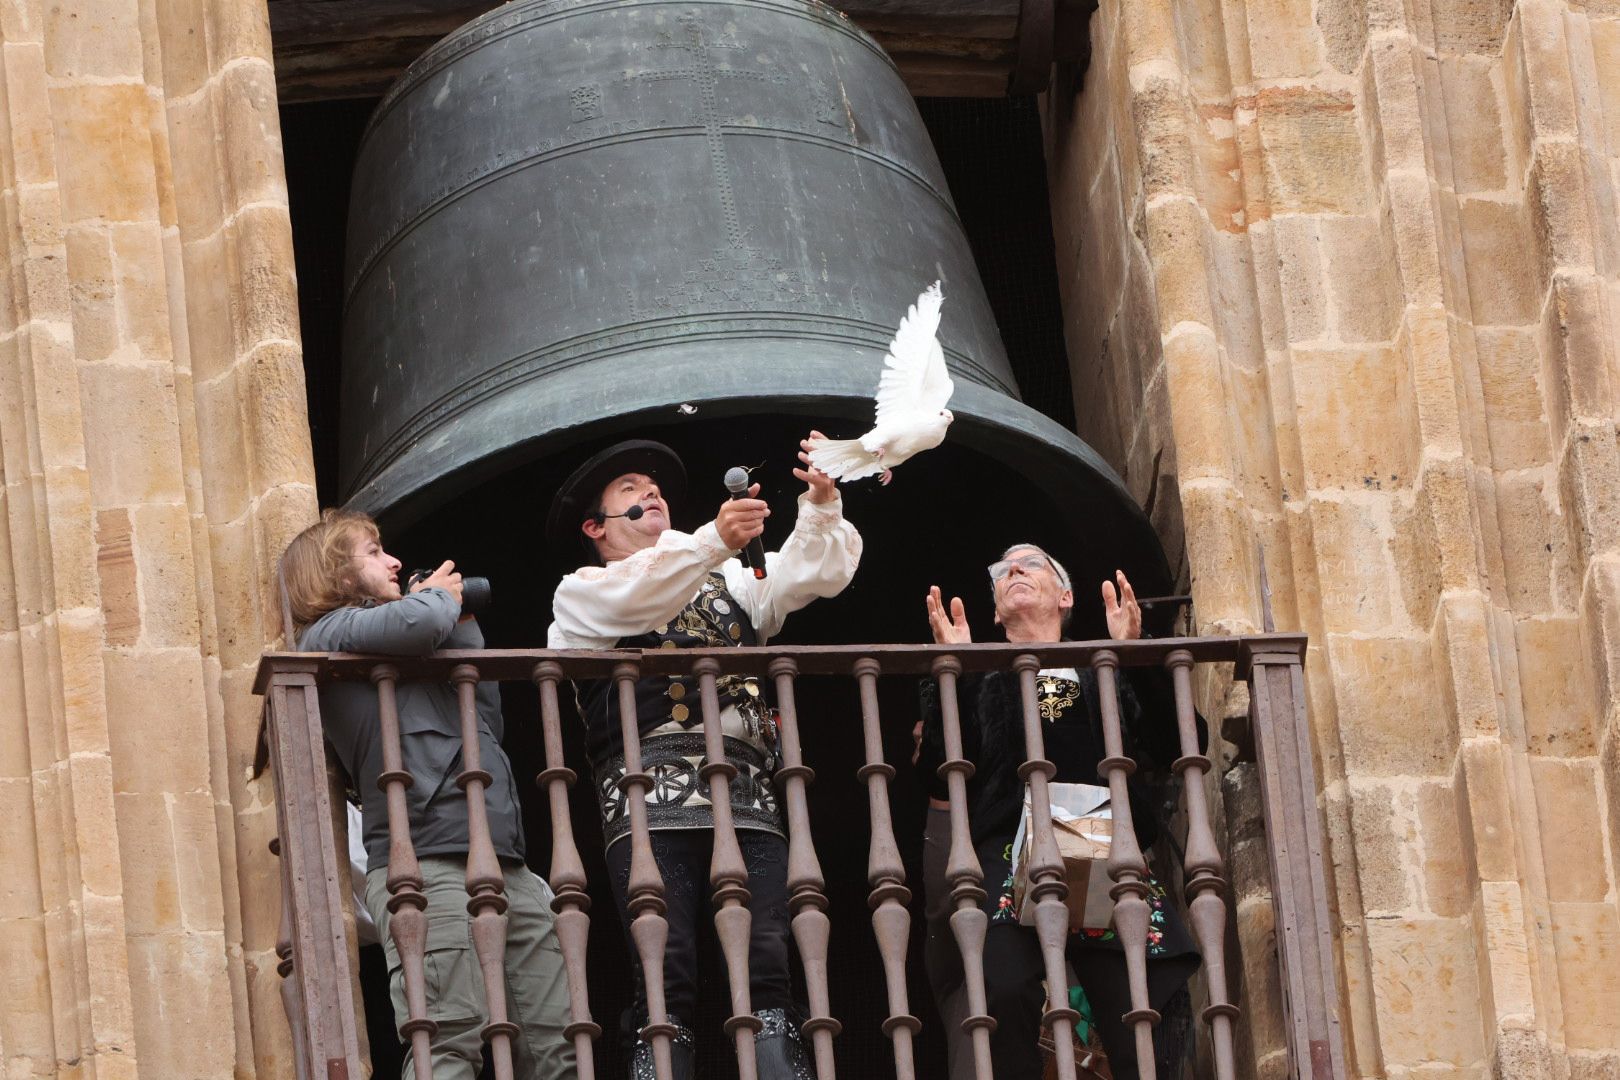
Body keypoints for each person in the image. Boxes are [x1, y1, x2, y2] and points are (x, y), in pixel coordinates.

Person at [546, 435, 861, 1080]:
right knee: (667, 973)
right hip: (646, 804)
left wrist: (822, 504)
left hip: (746, 795)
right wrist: (715, 539)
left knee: (771, 961)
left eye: (654, 487)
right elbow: (642, 596)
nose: (651, 492)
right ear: (595, 526)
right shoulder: (580, 594)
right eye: (630, 489)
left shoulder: (727, 579)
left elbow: (812, 575)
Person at [281, 509, 577, 1080]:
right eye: (374, 552)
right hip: (425, 866)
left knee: (558, 1044)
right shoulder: (328, 634)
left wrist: (459, 623)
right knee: (446, 1042)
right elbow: (415, 626)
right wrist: (438, 597)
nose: (393, 561)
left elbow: (484, 719)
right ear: (336, 575)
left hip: (503, 859)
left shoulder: (416, 638)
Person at [917, 545, 1200, 1079]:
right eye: (1002, 570)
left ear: (1066, 597)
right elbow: (938, 769)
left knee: (1136, 1005)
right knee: (1002, 989)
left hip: (1102, 843)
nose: (1014, 570)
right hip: (1009, 847)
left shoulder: (1103, 665)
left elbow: (1178, 740)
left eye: (1031, 563)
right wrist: (953, 670)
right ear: (996, 613)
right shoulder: (980, 674)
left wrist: (1133, 654)